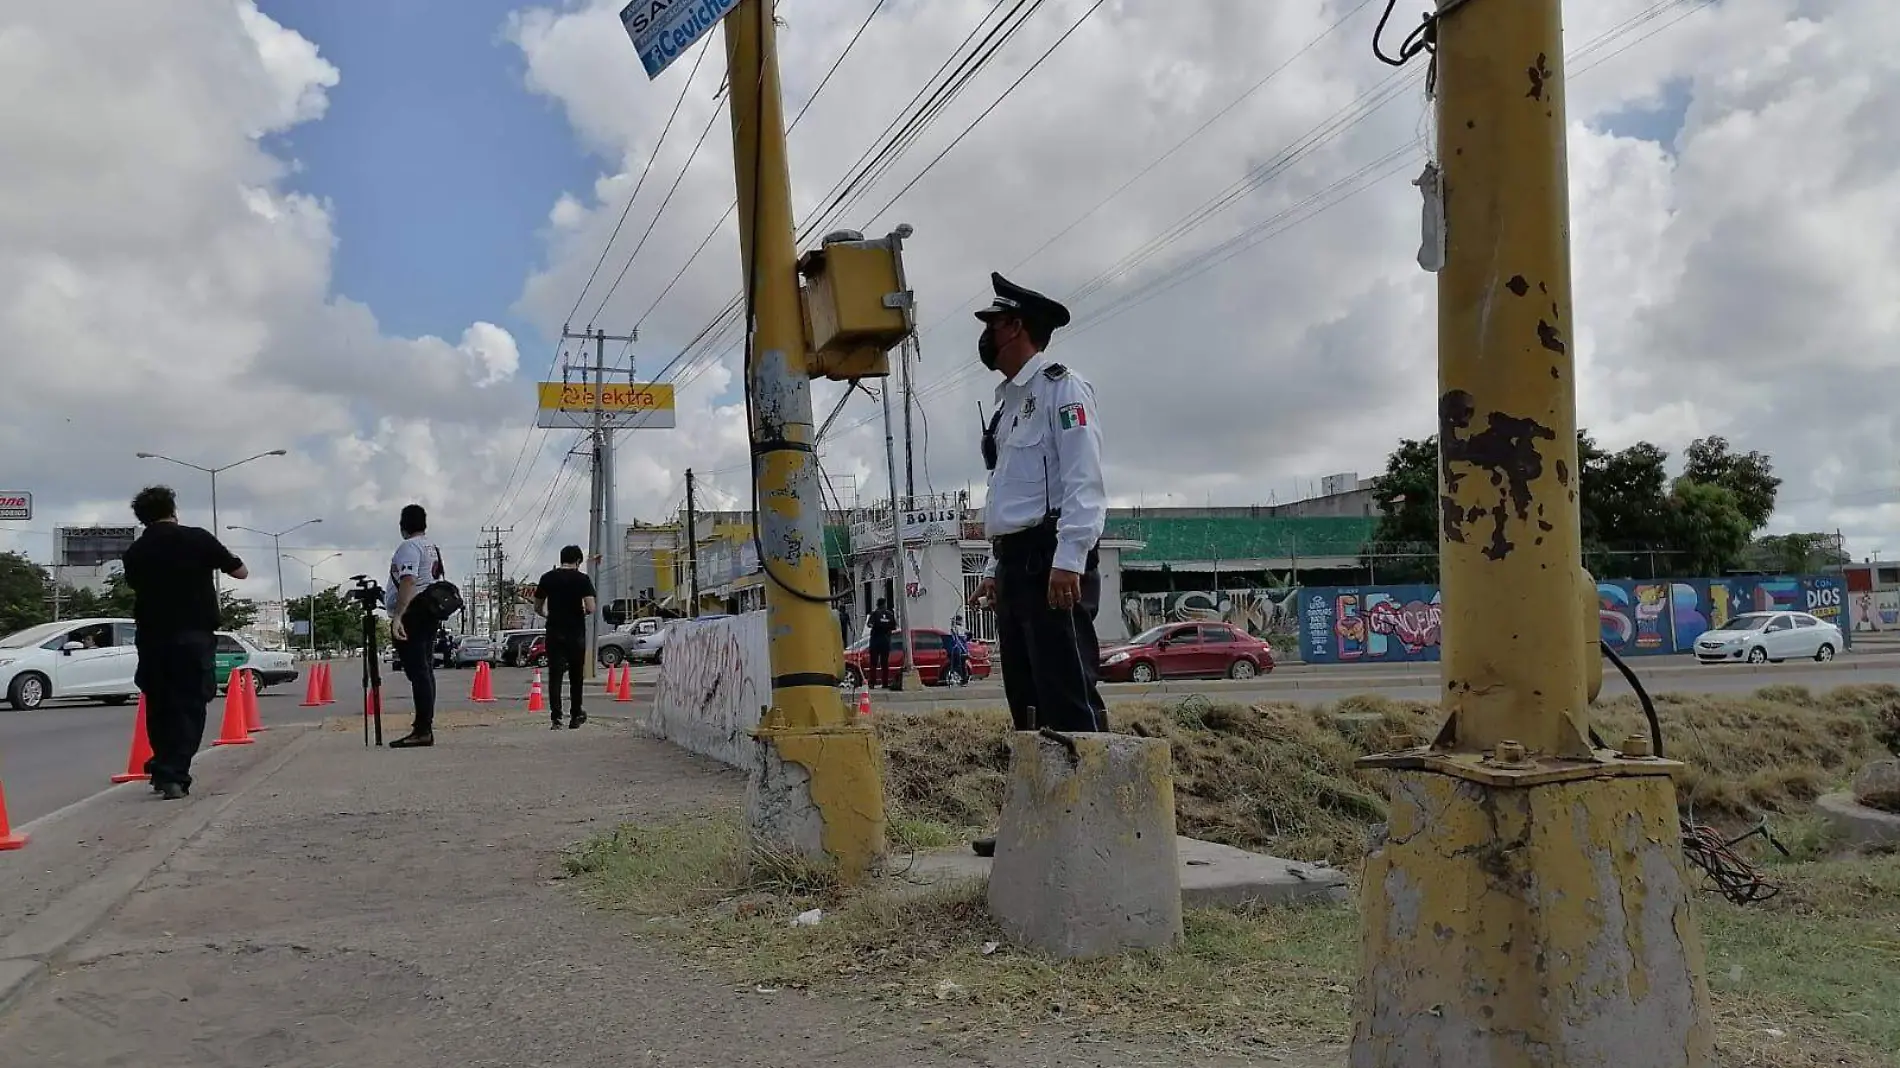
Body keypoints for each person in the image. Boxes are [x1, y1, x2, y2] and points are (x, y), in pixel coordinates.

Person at [965, 273, 1109, 855]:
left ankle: (1094, 823)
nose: (988, 335)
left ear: (1016, 326)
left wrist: (1069, 559)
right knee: (1024, 700)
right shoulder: (1009, 407)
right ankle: (1033, 823)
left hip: (1054, 557)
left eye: (993, 325)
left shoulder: (1062, 390)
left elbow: (1085, 482)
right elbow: (1010, 499)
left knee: (1067, 693)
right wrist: (1000, 572)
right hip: (1018, 562)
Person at [121, 485, 248, 799]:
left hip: (152, 637)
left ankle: (162, 764)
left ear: (142, 518)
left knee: (159, 703)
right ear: (173, 510)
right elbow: (241, 572)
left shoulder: (135, 552)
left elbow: (137, 585)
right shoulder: (198, 538)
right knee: (190, 704)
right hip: (193, 635)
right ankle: (173, 773)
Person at [387, 503, 447, 749]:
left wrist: (398, 616)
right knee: (425, 671)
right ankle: (424, 726)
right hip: (428, 612)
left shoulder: (409, 547)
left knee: (419, 672)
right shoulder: (432, 547)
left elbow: (408, 580)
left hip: (415, 613)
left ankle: (423, 729)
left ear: (402, 526)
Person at [535, 544, 598, 730]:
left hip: (554, 631)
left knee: (555, 675)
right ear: (578, 561)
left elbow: (538, 606)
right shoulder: (582, 579)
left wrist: (547, 614)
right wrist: (582, 611)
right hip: (576, 632)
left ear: (562, 558)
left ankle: (556, 718)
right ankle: (576, 714)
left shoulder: (547, 578)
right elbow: (591, 607)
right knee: (576, 675)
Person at [866, 598, 897, 689]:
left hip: (875, 641)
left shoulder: (874, 614)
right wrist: (886, 627)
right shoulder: (890, 614)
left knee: (873, 664)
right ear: (884, 604)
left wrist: (877, 626)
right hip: (885, 641)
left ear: (877, 604)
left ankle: (872, 683)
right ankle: (885, 683)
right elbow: (894, 627)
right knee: (884, 663)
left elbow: (869, 625)